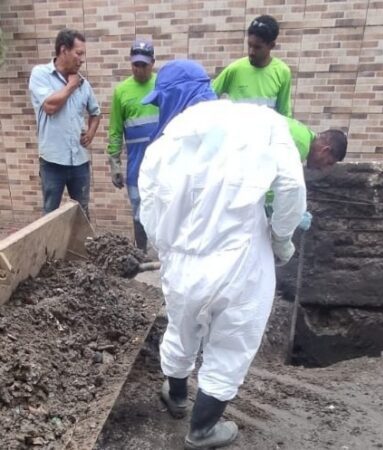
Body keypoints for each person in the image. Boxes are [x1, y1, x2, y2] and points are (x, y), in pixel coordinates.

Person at [137, 60, 306, 448]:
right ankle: (203, 429)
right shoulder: (261, 123)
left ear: (174, 98)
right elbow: (292, 189)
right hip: (241, 258)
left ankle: (177, 396)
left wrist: (170, 251)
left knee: (181, 330)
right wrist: (281, 237)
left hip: (181, 263)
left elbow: (149, 214)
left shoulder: (161, 147)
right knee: (232, 342)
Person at [29, 28, 100, 217]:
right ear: (63, 50)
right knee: (50, 214)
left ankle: (81, 247)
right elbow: (50, 107)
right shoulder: (40, 74)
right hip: (52, 161)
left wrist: (91, 132)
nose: (82, 59)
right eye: (79, 53)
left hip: (79, 161)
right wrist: (70, 86)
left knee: (82, 213)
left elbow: (96, 112)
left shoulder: (83, 84)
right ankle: (51, 248)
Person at [107, 39, 159, 251]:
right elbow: (115, 130)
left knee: (163, 208)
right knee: (138, 209)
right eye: (135, 64)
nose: (139, 69)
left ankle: (164, 257)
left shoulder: (162, 85)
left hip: (160, 163)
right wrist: (114, 163)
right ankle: (141, 253)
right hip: (136, 164)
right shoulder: (122, 91)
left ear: (153, 63)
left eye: (143, 65)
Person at [212, 15, 292, 117]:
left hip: (266, 133)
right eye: (249, 45)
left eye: (257, 47)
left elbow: (284, 113)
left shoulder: (282, 72)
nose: (251, 52)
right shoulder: (234, 69)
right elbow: (208, 99)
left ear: (271, 46)